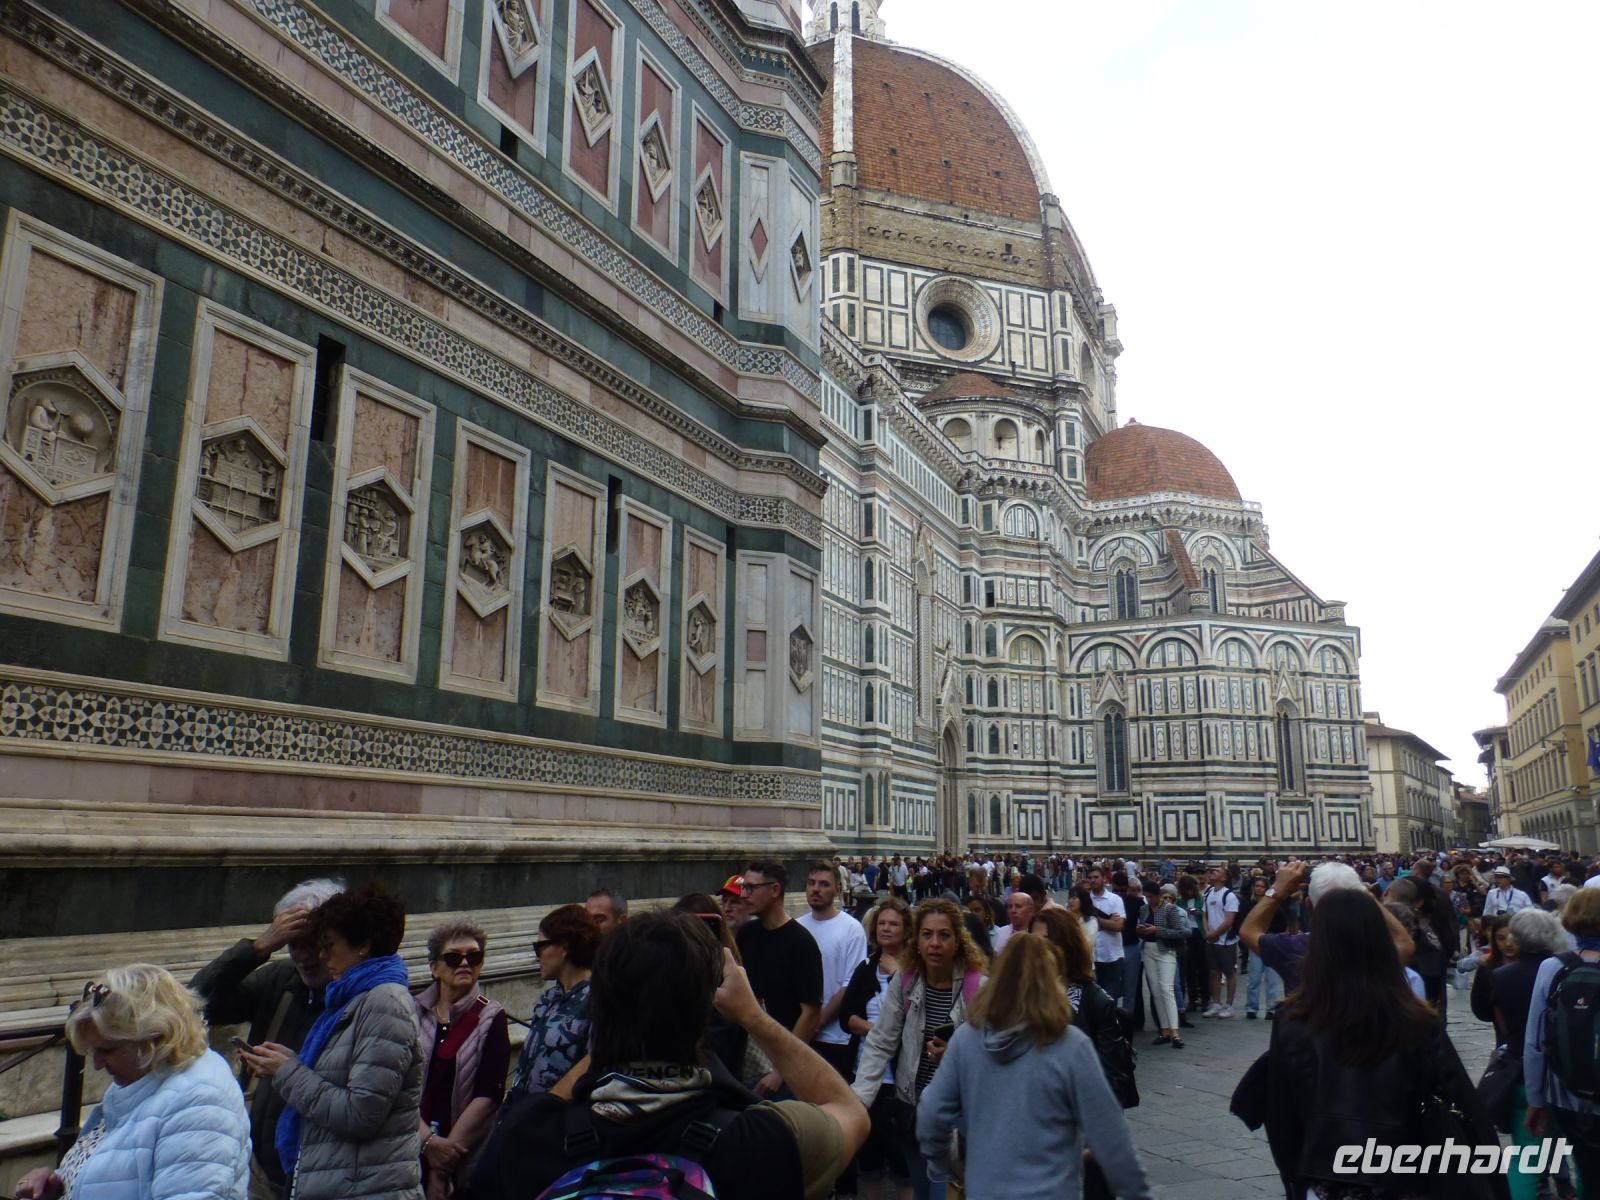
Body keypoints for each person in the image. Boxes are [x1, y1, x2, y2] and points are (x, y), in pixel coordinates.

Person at [474, 912, 869, 1200]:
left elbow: (548, 1103)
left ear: (600, 1005)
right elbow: (848, 1110)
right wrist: (753, 1017)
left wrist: (619, 1017)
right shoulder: (764, 1141)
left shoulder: (532, 1137)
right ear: (706, 1009)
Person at [1261, 890, 1498, 1200]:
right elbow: (1458, 1095)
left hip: (1327, 1176)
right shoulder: (1414, 1018)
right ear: (1380, 942)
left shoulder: (1292, 1020)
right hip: (1401, 1174)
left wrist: (1296, 1178)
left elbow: (1280, 1114)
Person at [916, 935, 1152, 1200]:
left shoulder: (966, 1040)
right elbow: (1111, 1135)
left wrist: (938, 1161)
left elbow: (931, 1110)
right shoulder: (1070, 1046)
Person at [237, 882, 424, 1200]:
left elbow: (360, 1114)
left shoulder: (384, 1003)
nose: (320, 955)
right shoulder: (353, 999)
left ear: (362, 945)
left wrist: (287, 1072)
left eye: (328, 944)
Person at [14, 965, 251, 1200]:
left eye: (107, 1050)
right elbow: (123, 1171)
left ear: (155, 1038)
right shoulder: (147, 1075)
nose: (96, 1064)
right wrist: (60, 1182)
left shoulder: (200, 1101)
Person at [191, 878, 343, 1199]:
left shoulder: (360, 999)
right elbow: (196, 1002)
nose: (303, 956)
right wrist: (257, 948)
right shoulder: (280, 979)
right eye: (292, 944)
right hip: (259, 1166)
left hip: (322, 1172)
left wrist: (288, 1070)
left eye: (312, 943)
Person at [852, 899, 987, 1200]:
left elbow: (995, 1055)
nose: (934, 943)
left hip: (958, 1119)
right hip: (913, 1112)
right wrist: (858, 1100)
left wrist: (956, 1055)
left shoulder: (979, 988)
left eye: (943, 935)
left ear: (958, 941)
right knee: (923, 1192)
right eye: (927, 935)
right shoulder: (906, 980)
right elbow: (882, 1040)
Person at [413, 920, 510, 1200]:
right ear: (435, 968)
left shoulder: (492, 1016)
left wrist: (442, 1165)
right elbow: (397, 1086)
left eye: (474, 956)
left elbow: (489, 1095)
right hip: (410, 1150)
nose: (465, 963)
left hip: (463, 1155)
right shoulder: (414, 1012)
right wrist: (427, 1143)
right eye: (454, 957)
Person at [1474, 909, 1566, 1200]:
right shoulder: (1564, 969)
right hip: (1564, 1071)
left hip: (1520, 1067)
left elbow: (1499, 1022)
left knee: (1526, 1153)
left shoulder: (1500, 975)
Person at [1240, 859, 1414, 996]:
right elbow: (1404, 942)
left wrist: (1277, 890)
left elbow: (1249, 931)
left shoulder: (1294, 949)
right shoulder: (1376, 950)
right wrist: (1367, 896)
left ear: (1309, 906)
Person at [1525, 885, 1600, 1194]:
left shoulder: (1554, 968)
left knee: (1589, 1173)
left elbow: (1535, 1043)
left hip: (1570, 1096)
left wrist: (1535, 1100)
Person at [840, 898, 914, 1200]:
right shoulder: (866, 968)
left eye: (893, 924)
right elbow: (847, 1017)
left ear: (906, 930)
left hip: (900, 1081)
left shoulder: (913, 972)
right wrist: (876, 1031)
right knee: (869, 1158)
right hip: (866, 1076)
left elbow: (914, 1017)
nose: (886, 928)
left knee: (901, 1160)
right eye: (882, 923)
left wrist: (898, 974)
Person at [735, 859, 824, 1096]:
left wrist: (781, 1071)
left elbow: (811, 1013)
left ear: (774, 890)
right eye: (744, 887)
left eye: (751, 888)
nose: (745, 895)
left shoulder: (801, 943)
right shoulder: (746, 935)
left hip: (783, 1068)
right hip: (748, 1059)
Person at [506, 904, 599, 1103]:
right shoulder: (548, 998)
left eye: (540, 946)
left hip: (556, 1119)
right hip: (521, 1112)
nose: (537, 955)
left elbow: (594, 1069)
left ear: (564, 948)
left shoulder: (597, 1000)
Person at [1141, 883, 1188, 1047]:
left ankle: (1175, 1032)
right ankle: (1164, 1029)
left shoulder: (1169, 909)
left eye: (1151, 896)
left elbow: (1180, 931)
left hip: (1166, 950)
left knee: (1167, 989)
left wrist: (1157, 930)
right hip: (1148, 949)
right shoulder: (1144, 909)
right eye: (1146, 897)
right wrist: (1141, 930)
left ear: (1158, 895)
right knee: (1155, 991)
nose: (1149, 900)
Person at [1202, 866, 1240, 1017]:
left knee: (1229, 972)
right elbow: (1204, 915)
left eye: (1217, 871)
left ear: (1224, 879)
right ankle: (1216, 1003)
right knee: (1214, 972)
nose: (1213, 872)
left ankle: (1229, 1005)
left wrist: (1215, 934)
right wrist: (1208, 932)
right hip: (1212, 939)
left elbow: (1229, 920)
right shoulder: (1209, 893)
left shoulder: (1229, 896)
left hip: (1225, 941)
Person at [1084, 867, 1126, 1002]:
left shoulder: (1115, 900)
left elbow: (1118, 926)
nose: (1092, 880)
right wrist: (1108, 922)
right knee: (1092, 1000)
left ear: (1104, 879)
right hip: (1091, 958)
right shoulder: (1084, 900)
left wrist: (1093, 920)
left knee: (1110, 999)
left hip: (1111, 956)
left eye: (1096, 877)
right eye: (1090, 877)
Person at [993, 888, 1035, 956]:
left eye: (1018, 906)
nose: (1013, 911)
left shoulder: (1038, 932)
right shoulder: (1001, 932)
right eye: (1010, 907)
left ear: (1031, 911)